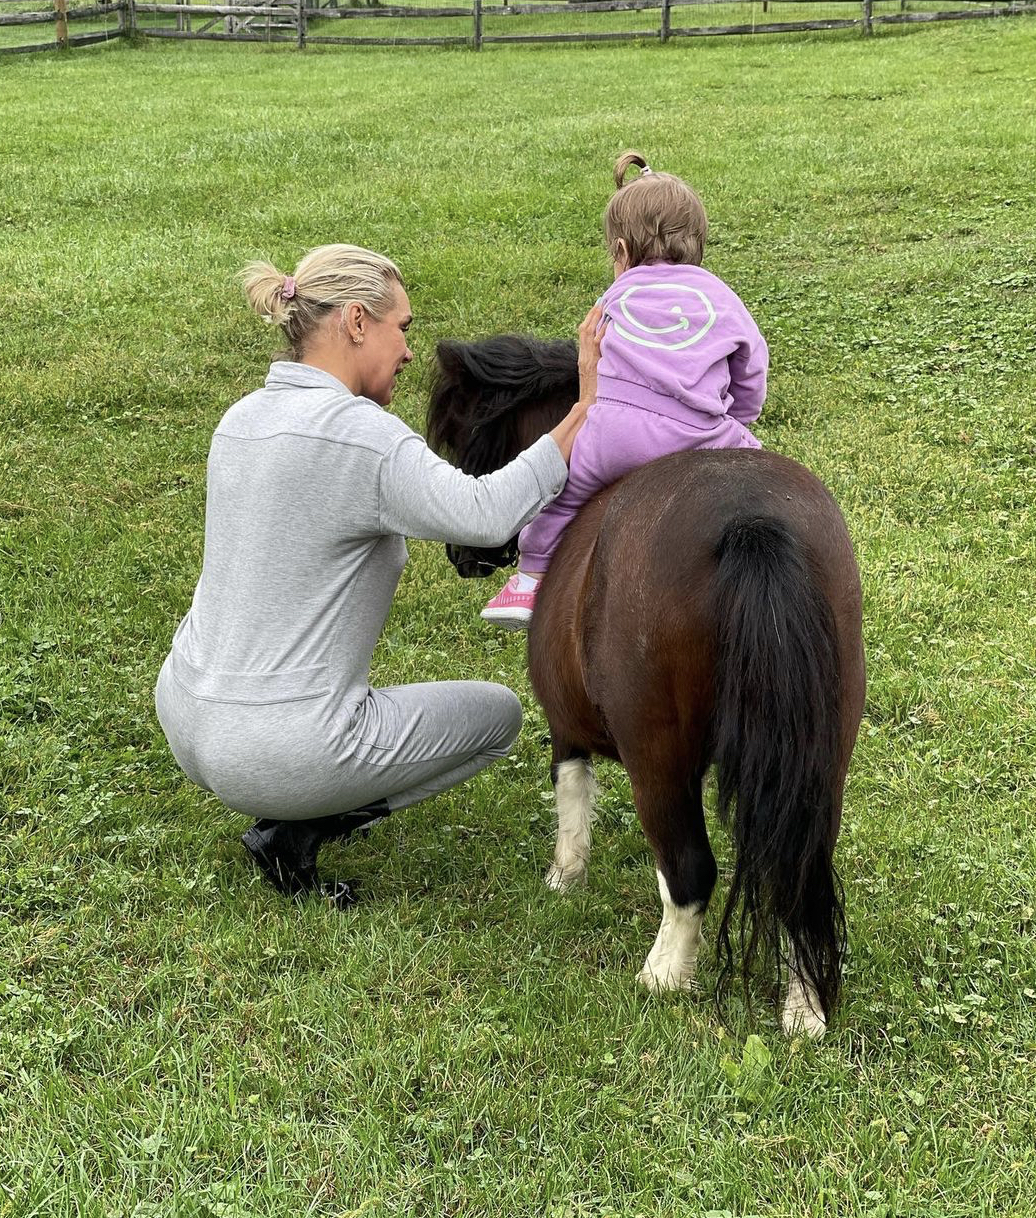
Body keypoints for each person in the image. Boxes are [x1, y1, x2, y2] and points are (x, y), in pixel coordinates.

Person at [155, 243, 600, 907]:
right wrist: (584, 409)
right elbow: (484, 514)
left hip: (185, 714)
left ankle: (291, 803)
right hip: (277, 753)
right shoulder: (363, 436)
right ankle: (294, 831)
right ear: (357, 321)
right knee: (498, 718)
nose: (410, 351)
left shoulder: (240, 418)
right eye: (403, 327)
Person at [481, 151, 769, 629]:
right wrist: (740, 419)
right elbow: (751, 364)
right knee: (765, 477)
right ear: (698, 242)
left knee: (562, 496)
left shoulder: (614, 295)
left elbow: (592, 347)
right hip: (697, 436)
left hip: (612, 434)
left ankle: (529, 580)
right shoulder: (721, 297)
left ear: (620, 249)